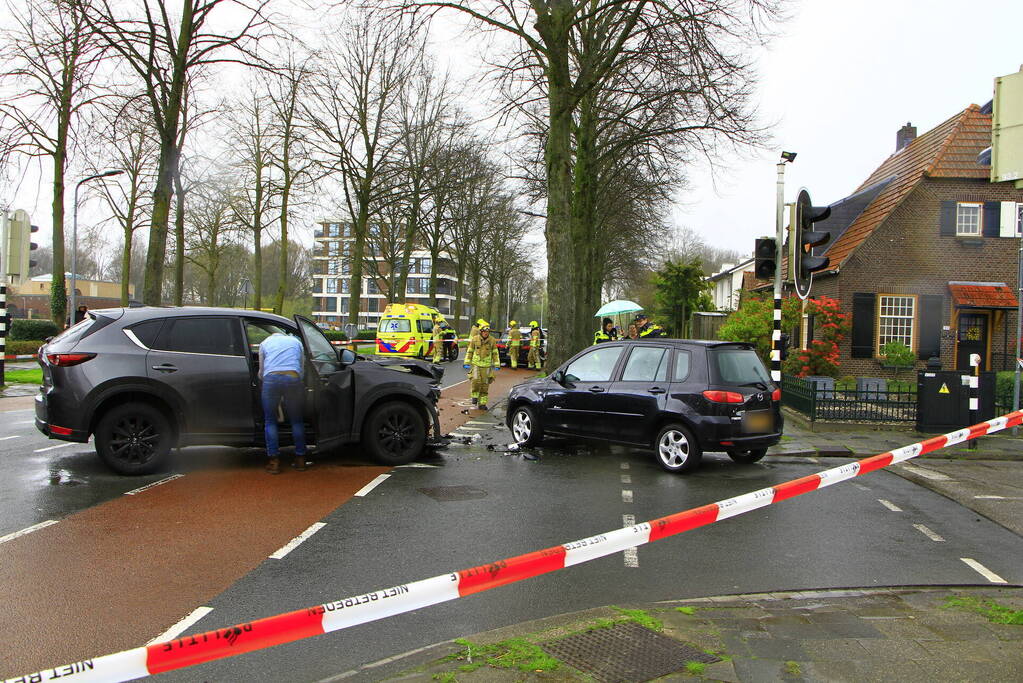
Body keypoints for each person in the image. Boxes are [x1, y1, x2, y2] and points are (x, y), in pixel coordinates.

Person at [258, 331, 308, 474]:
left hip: (271, 379)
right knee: (296, 420)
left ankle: (274, 462)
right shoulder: (296, 342)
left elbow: (261, 372)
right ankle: (300, 459)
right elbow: (301, 368)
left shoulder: (265, 343)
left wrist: (265, 381)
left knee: (270, 420)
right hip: (293, 377)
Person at [463, 321, 499, 409]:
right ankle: (474, 396)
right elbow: (470, 351)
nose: (486, 333)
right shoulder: (475, 339)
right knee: (475, 381)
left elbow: (495, 353)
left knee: (485, 385)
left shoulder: (492, 340)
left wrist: (497, 364)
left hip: (486, 366)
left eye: (487, 332)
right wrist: (467, 362)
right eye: (484, 331)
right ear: (481, 331)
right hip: (476, 365)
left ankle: (482, 404)